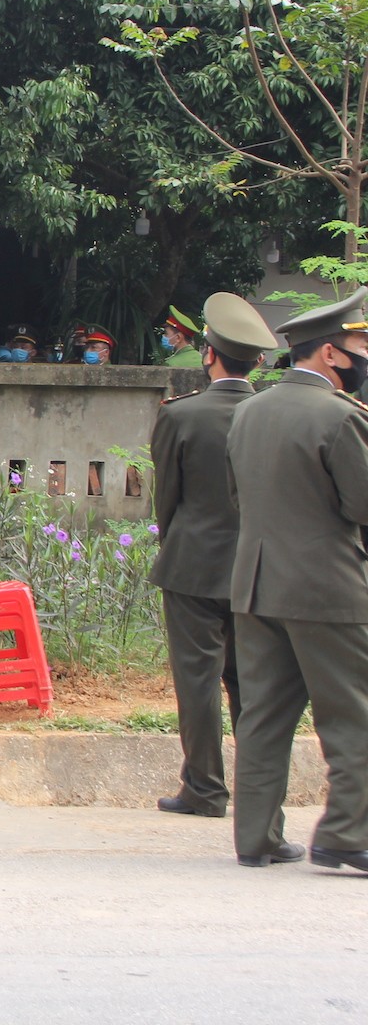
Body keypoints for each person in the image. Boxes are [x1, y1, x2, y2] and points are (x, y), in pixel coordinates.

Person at [225, 288, 368, 874]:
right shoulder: (340, 418)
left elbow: (240, 498)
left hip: (256, 586)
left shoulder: (249, 410)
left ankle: (256, 838)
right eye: (361, 345)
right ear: (332, 354)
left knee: (263, 715)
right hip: (326, 589)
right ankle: (346, 834)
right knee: (354, 715)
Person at [144, 292, 276, 819]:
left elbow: (167, 500)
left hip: (193, 564)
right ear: (259, 362)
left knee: (197, 680)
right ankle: (260, 798)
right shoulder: (272, 416)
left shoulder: (182, 416)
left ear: (208, 354)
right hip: (260, 569)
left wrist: (177, 545)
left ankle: (204, 788)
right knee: (255, 686)